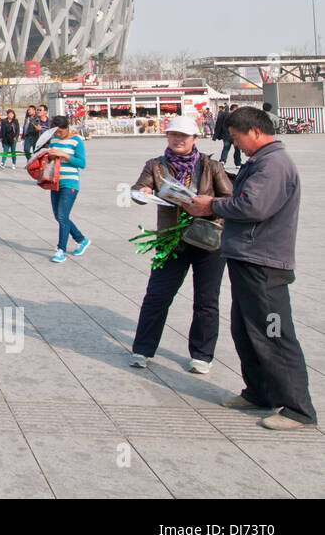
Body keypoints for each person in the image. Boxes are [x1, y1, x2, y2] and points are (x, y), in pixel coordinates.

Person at [183, 106, 316, 430]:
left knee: (274, 333)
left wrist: (211, 204)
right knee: (245, 330)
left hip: (264, 263)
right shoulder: (263, 161)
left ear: (255, 132)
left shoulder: (273, 164)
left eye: (237, 138)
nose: (236, 144)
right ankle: (259, 392)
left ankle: (298, 409)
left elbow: (252, 206)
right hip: (248, 258)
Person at [128, 116, 232, 372]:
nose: (178, 139)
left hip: (208, 240)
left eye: (184, 136)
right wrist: (141, 194)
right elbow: (137, 189)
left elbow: (229, 200)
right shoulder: (155, 165)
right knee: (157, 295)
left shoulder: (211, 166)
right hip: (171, 240)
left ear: (195, 139)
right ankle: (142, 349)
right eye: (173, 134)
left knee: (206, 300)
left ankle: (202, 355)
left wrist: (207, 205)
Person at [44, 115, 88, 262]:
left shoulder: (76, 141)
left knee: (62, 216)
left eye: (60, 132)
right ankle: (81, 239)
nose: (58, 135)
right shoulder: (54, 140)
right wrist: (49, 156)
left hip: (70, 183)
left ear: (67, 128)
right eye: (56, 132)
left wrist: (64, 155)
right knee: (59, 216)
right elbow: (49, 159)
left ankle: (60, 250)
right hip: (55, 181)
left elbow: (82, 163)